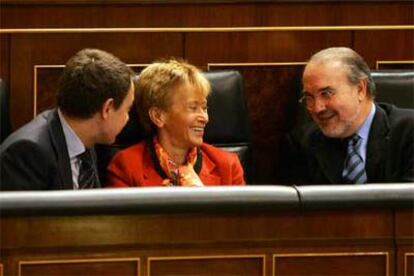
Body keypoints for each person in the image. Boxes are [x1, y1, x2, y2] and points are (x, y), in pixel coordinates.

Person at [0, 48, 135, 190]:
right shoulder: (27, 154)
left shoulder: (89, 138)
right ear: (107, 109)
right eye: (127, 109)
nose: (128, 119)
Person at [280, 47, 414, 184]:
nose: (317, 107)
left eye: (326, 94)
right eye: (309, 98)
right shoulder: (302, 144)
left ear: (360, 89)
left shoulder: (409, 133)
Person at [106, 59, 245, 187]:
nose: (205, 118)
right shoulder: (125, 167)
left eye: (204, 108)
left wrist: (202, 196)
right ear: (158, 116)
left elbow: (242, 215)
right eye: (193, 108)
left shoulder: (228, 166)